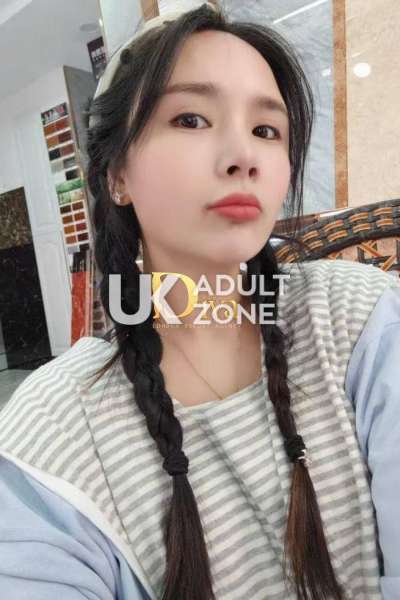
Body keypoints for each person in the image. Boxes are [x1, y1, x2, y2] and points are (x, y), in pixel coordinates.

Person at [0, 3, 399, 599]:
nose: (244, 155)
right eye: (190, 118)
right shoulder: (55, 432)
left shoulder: (360, 319)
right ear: (117, 176)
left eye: (267, 130)